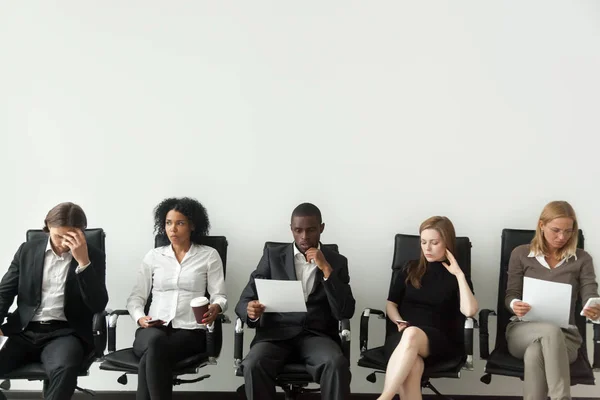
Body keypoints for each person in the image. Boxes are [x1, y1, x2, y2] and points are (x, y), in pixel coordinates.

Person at [235, 202, 355, 400]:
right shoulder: (272, 257)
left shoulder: (337, 261)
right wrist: (250, 311)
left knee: (336, 363)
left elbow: (345, 311)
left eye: (311, 230)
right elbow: (244, 300)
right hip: (276, 335)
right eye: (298, 230)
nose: (304, 237)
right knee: (252, 364)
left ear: (322, 228)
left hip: (317, 336)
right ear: (291, 229)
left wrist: (326, 269)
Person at [0, 202, 108, 400]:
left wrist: (84, 263)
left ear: (81, 232)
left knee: (65, 369)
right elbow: (4, 292)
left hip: (65, 333)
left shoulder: (93, 256)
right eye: (59, 236)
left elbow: (98, 304)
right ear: (48, 227)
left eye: (70, 237)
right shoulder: (27, 250)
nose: (63, 243)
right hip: (24, 331)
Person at [126, 197, 227, 400]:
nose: (172, 229)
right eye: (168, 223)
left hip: (190, 331)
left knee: (152, 353)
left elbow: (220, 296)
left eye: (180, 223)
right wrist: (140, 318)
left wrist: (216, 307)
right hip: (152, 329)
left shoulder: (209, 255)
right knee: (155, 343)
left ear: (192, 226)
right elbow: (136, 297)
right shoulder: (153, 257)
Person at [505, 200, 600, 400]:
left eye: (568, 231)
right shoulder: (521, 254)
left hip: (566, 338)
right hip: (523, 330)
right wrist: (515, 305)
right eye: (556, 230)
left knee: (535, 352)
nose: (561, 237)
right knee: (548, 330)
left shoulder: (582, 259)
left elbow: (590, 291)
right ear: (541, 225)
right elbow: (510, 295)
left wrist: (594, 305)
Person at [378, 216, 478, 400]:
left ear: (447, 242)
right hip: (402, 338)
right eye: (423, 242)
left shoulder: (456, 275)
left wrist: (459, 274)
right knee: (413, 365)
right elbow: (391, 303)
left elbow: (470, 311)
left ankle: (385, 397)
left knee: (412, 334)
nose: (427, 248)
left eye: (434, 242)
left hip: (437, 341)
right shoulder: (410, 268)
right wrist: (398, 320)